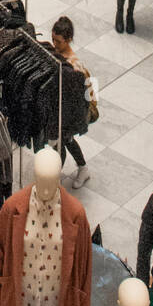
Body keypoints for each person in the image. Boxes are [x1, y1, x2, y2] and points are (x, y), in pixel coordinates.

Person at [51, 16, 92, 188]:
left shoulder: (75, 65)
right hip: (59, 107)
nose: (54, 44)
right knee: (65, 141)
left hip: (70, 112)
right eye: (53, 39)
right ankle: (82, 168)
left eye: (58, 41)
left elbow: (88, 90)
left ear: (68, 39)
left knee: (63, 141)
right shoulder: (55, 54)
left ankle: (56, 175)